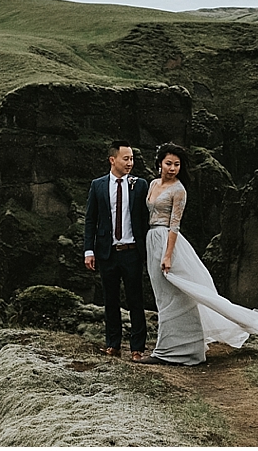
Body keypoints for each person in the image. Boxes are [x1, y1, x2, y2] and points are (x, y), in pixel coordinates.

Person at [139, 142, 258, 366]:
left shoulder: (179, 190)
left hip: (167, 241)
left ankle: (173, 351)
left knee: (178, 294)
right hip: (151, 239)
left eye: (176, 164)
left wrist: (167, 255)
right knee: (163, 295)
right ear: (159, 163)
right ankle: (177, 348)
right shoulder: (153, 184)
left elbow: (175, 225)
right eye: (168, 163)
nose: (172, 168)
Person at [83, 140, 150, 362]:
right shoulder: (98, 185)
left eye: (131, 159)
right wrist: (88, 250)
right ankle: (113, 344)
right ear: (113, 160)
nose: (130, 163)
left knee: (135, 300)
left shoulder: (140, 185)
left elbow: (146, 217)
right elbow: (91, 220)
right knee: (110, 300)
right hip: (107, 252)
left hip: (132, 251)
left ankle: (137, 348)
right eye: (126, 158)